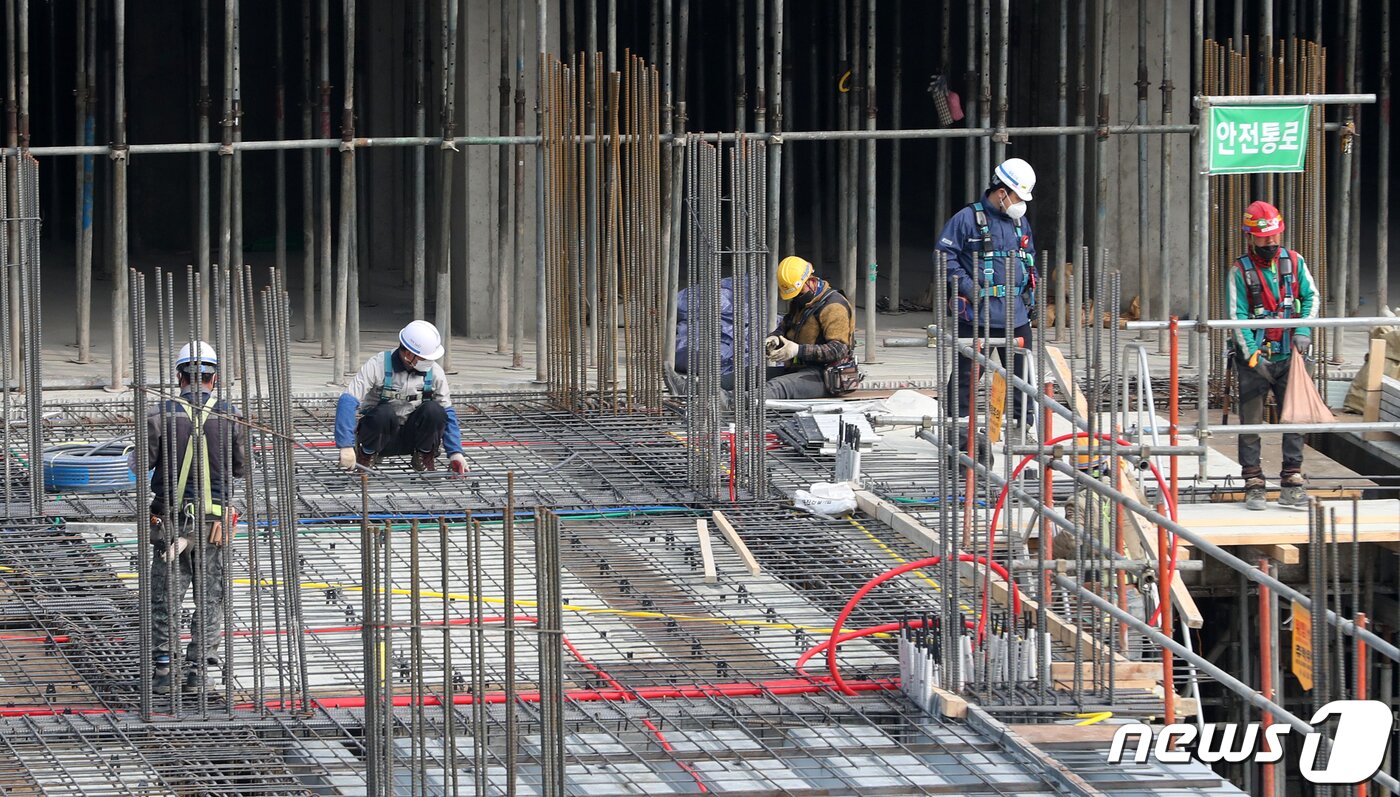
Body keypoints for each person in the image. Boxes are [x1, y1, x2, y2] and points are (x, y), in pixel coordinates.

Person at [144, 341, 246, 695]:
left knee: (165, 596)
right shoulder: (230, 416)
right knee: (211, 596)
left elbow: (142, 463)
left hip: (170, 523)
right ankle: (199, 672)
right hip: (213, 526)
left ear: (179, 376)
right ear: (213, 379)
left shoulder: (159, 416)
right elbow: (240, 468)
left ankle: (162, 671)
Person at [936, 157, 1039, 446]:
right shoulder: (966, 219)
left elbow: (1028, 258)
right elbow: (944, 256)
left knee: (1022, 377)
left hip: (1016, 316)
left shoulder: (1020, 221)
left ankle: (1021, 429)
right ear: (1002, 191)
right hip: (979, 317)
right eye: (1018, 196)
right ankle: (957, 429)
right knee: (967, 377)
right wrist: (968, 287)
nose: (1021, 203)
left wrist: (1033, 293)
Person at [1227, 200, 1318, 510]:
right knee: (1251, 423)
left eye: (1274, 237)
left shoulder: (1294, 262)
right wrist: (1254, 357)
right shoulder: (1240, 271)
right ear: (1250, 237)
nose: (1270, 243)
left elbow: (1311, 297)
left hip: (1291, 355)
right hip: (1255, 361)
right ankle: (1253, 482)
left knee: (1295, 417)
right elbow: (1236, 317)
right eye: (1264, 238)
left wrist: (1303, 330)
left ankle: (1292, 480)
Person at [335, 320, 467, 474]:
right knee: (383, 413)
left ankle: (423, 454)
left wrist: (455, 452)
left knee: (434, 411)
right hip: (382, 435)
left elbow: (447, 412)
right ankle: (367, 454)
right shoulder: (378, 365)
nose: (430, 362)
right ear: (408, 354)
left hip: (415, 435)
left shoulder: (435, 372)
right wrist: (345, 445)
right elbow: (347, 401)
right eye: (425, 358)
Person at [745, 255, 859, 399]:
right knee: (747, 376)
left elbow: (838, 350)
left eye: (799, 293)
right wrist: (774, 338)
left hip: (825, 376)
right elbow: (786, 327)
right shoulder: (803, 301)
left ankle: (732, 403)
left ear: (811, 281)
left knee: (776, 387)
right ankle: (714, 394)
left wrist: (797, 350)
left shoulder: (834, 307)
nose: (796, 298)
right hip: (799, 369)